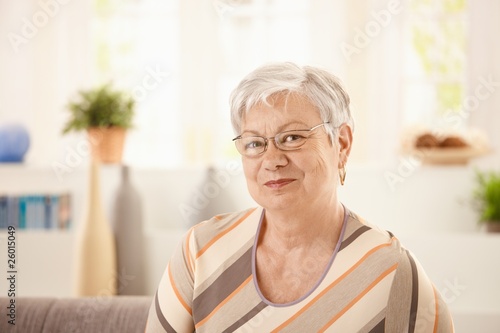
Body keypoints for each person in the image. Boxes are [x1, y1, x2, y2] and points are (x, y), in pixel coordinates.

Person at [145, 62, 454, 332]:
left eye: (292, 137)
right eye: (254, 143)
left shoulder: (392, 272)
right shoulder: (199, 252)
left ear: (342, 144)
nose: (272, 159)